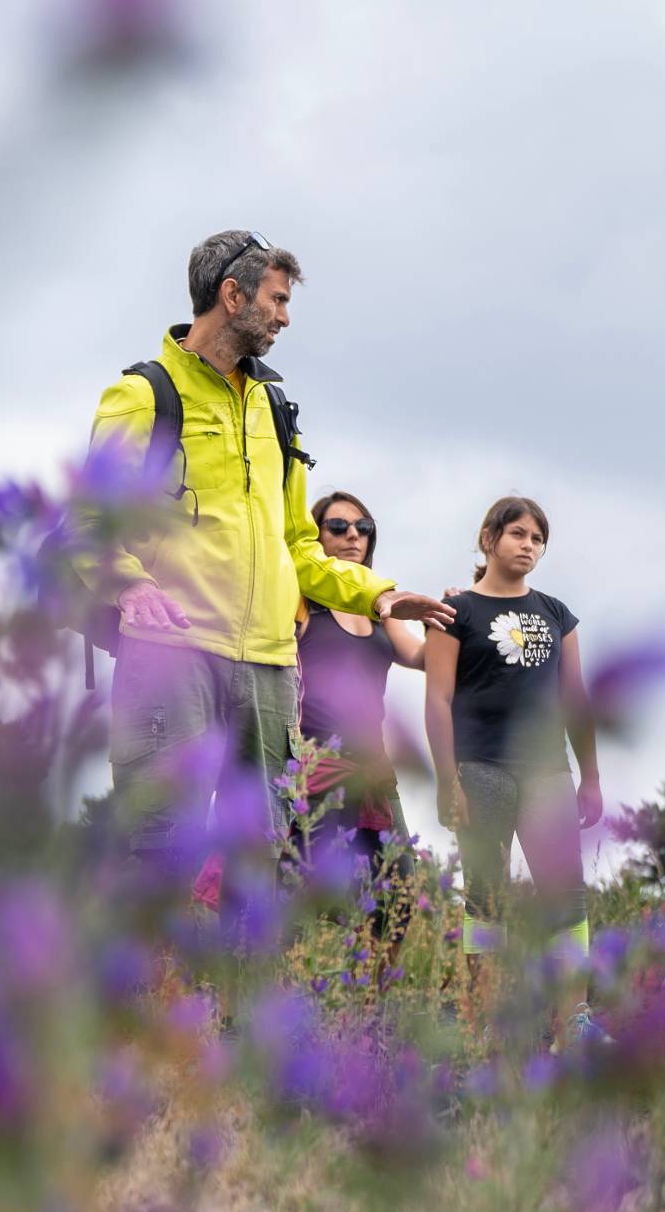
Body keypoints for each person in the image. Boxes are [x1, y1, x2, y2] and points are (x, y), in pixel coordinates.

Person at [81, 230, 454, 902]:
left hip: (271, 666)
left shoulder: (276, 409)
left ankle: (243, 978)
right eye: (277, 300)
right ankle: (140, 972)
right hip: (171, 654)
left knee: (262, 863)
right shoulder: (142, 396)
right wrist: (129, 585)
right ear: (233, 295)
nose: (284, 317)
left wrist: (376, 595)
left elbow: (298, 544)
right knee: (157, 851)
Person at [423, 495, 603, 991]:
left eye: (538, 538)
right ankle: (486, 1015)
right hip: (480, 769)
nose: (529, 545)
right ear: (489, 539)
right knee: (486, 897)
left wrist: (590, 777)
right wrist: (446, 782)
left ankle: (575, 1014)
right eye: (518, 534)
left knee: (566, 896)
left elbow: (575, 699)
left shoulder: (557, 613)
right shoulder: (454, 611)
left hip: (548, 772)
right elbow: (437, 700)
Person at [294, 490, 425, 889]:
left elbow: (419, 656)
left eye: (363, 527)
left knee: (398, 887)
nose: (353, 535)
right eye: (338, 526)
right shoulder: (301, 603)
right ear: (316, 537)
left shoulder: (381, 608)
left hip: (373, 768)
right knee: (306, 887)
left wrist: (444, 623)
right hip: (314, 767)